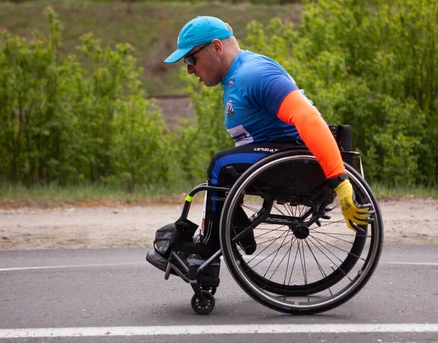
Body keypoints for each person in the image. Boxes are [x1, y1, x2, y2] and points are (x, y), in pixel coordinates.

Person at [146, 16, 370, 283]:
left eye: (191, 60)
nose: (189, 70)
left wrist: (340, 181)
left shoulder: (253, 73)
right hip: (275, 158)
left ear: (216, 47)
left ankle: (205, 255)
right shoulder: (234, 78)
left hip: (295, 162)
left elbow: (308, 118)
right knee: (220, 173)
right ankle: (228, 235)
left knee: (221, 165)